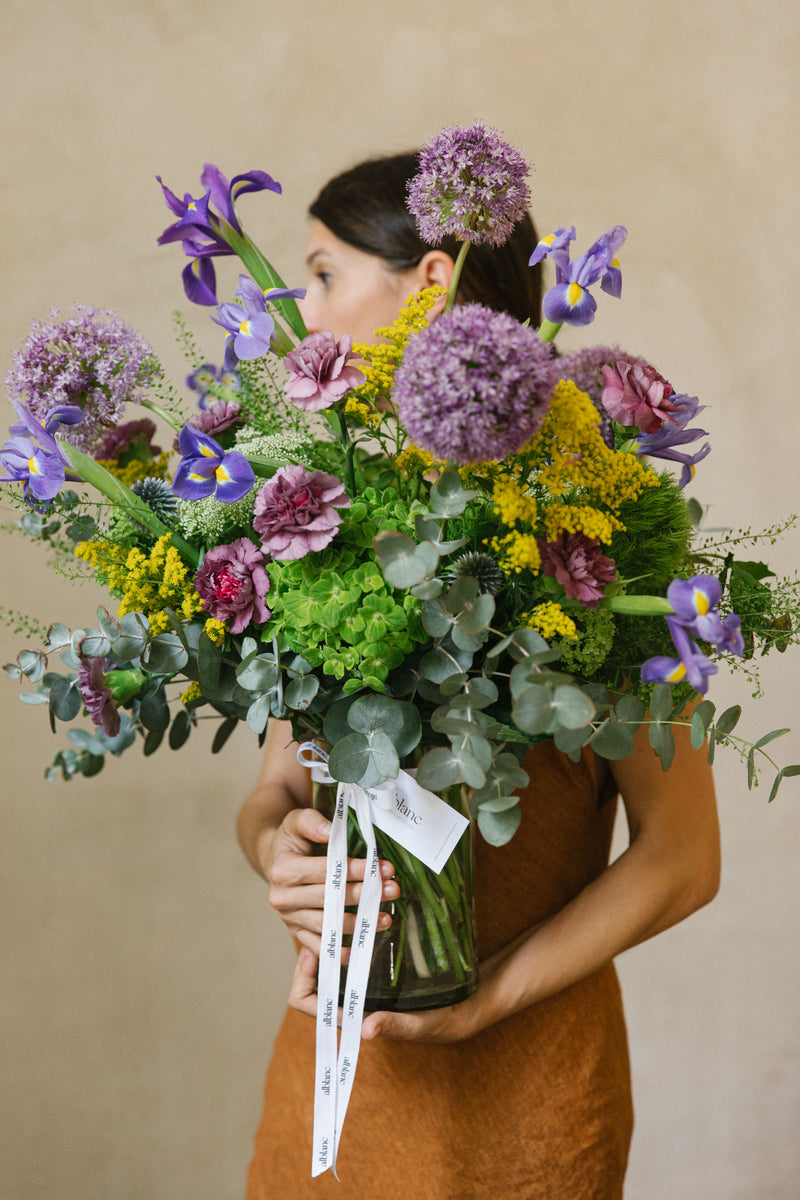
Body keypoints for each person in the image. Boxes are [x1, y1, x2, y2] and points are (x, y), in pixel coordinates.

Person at [236, 153, 721, 1199]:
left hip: (524, 1090)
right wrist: (275, 848)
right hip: (333, 1065)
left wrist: (485, 998)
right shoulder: (309, 512)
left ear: (431, 284)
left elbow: (683, 857)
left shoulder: (607, 535)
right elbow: (281, 784)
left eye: (322, 274)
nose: (298, 309)